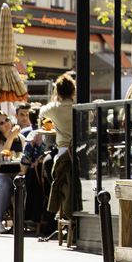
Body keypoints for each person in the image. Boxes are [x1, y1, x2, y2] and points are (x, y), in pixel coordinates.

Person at [39, 74, 76, 220]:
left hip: (63, 151)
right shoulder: (77, 107)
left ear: (57, 92)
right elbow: (91, 118)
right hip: (78, 152)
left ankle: (59, 207)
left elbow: (42, 112)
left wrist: (55, 98)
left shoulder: (54, 108)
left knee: (48, 169)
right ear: (73, 91)